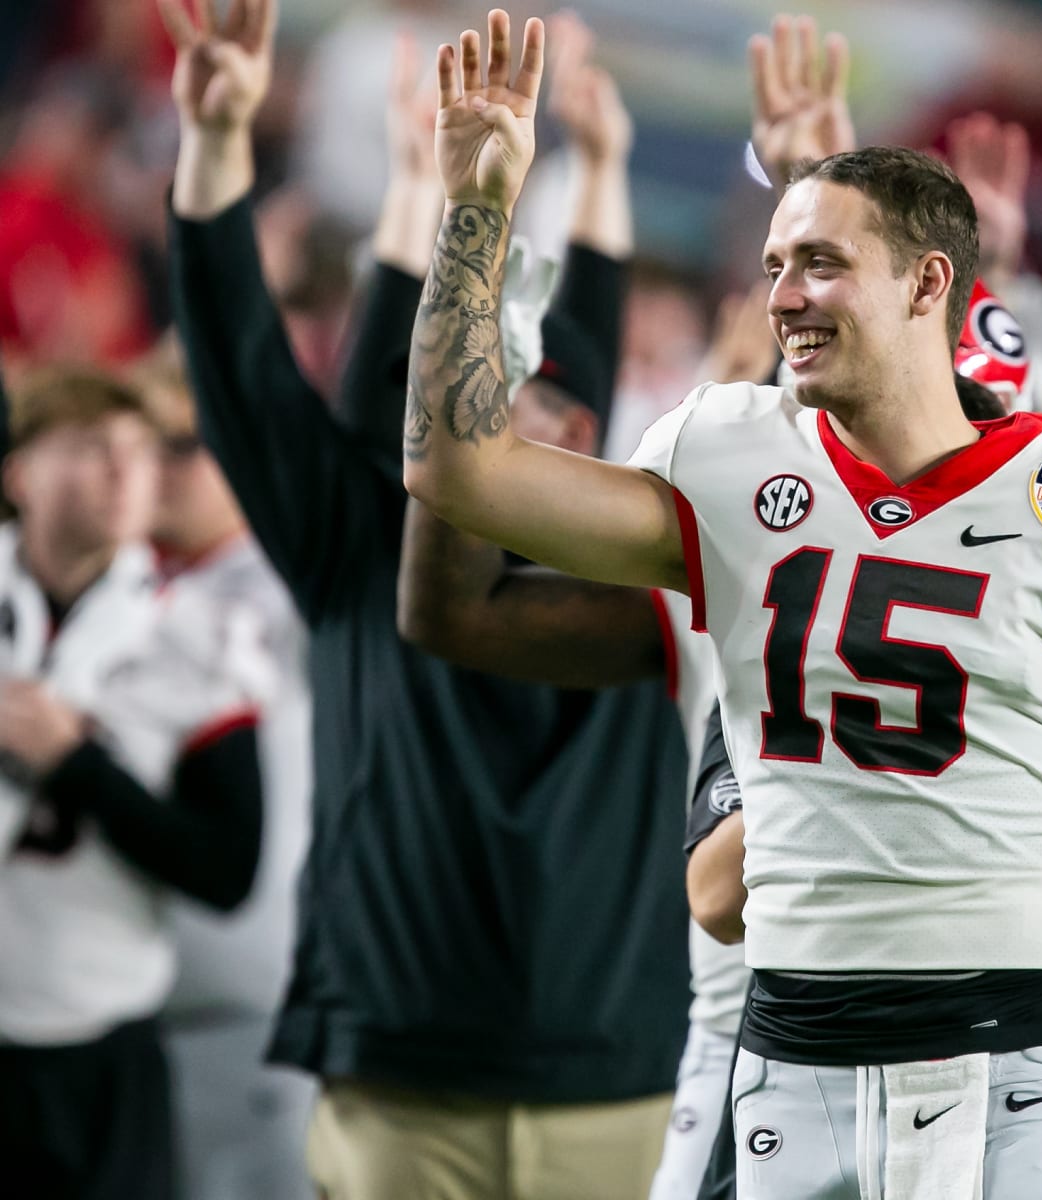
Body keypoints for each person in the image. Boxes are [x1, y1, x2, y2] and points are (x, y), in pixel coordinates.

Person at [402, 13, 1042, 1197]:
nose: (782, 297)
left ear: (929, 283)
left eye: (821, 264)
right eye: (774, 265)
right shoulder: (729, 453)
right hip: (792, 1063)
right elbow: (460, 476)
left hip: (1012, 1060)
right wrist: (474, 213)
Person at [160, 1, 694, 1196]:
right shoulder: (359, 549)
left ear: (584, 431)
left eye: (521, 390)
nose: (480, 410)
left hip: (625, 1083)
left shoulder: (656, 573)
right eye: (460, 389)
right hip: (400, 1080)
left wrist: (597, 173)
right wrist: (217, 147)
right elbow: (240, 359)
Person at [0, 366, 267, 1200]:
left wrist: (75, 766)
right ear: (21, 474)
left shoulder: (199, 634)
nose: (123, 471)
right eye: (89, 448)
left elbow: (227, 870)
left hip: (99, 1042)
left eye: (139, 450)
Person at [134, 341, 319, 1200]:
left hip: (249, 995)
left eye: (182, 445)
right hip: (122, 998)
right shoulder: (117, 584)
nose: (153, 469)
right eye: (141, 444)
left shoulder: (298, 585)